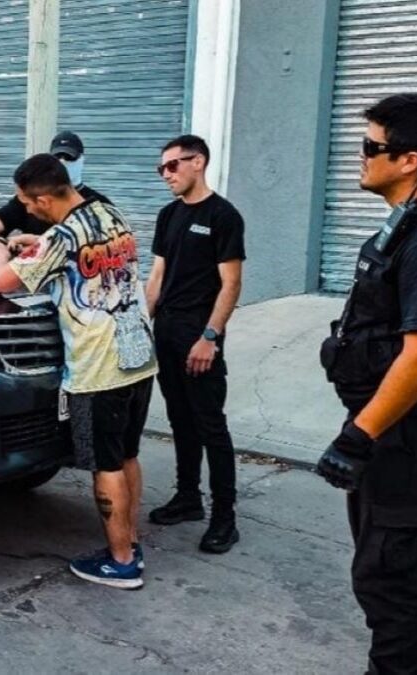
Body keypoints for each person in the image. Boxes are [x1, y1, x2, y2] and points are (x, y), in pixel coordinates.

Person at [0, 154, 156, 590]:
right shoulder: (108, 212)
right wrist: (33, 247)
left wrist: (0, 252)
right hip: (137, 353)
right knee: (128, 453)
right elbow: (77, 261)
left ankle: (120, 562)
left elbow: (3, 283)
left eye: (27, 202)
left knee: (105, 464)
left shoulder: (61, 236)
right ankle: (130, 541)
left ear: (43, 199)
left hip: (98, 367)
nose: (25, 209)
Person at [316, 93, 417, 673]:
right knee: (394, 567)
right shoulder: (407, 225)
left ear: (410, 160)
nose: (359, 157)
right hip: (390, 426)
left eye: (370, 147)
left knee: (387, 575)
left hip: (403, 437)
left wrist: (359, 437)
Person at [144, 134, 245, 555]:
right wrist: (141, 328)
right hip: (166, 333)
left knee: (210, 426)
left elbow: (232, 283)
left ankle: (226, 516)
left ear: (197, 162)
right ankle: (188, 498)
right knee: (180, 422)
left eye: (172, 166)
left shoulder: (224, 216)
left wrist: (210, 337)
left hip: (198, 337)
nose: (166, 174)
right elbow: (157, 276)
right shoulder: (168, 215)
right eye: (161, 168)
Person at [0, 131, 111, 238]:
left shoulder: (101, 208)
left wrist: (2, 258)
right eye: (58, 157)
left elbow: (2, 281)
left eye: (69, 158)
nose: (63, 162)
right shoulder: (30, 196)